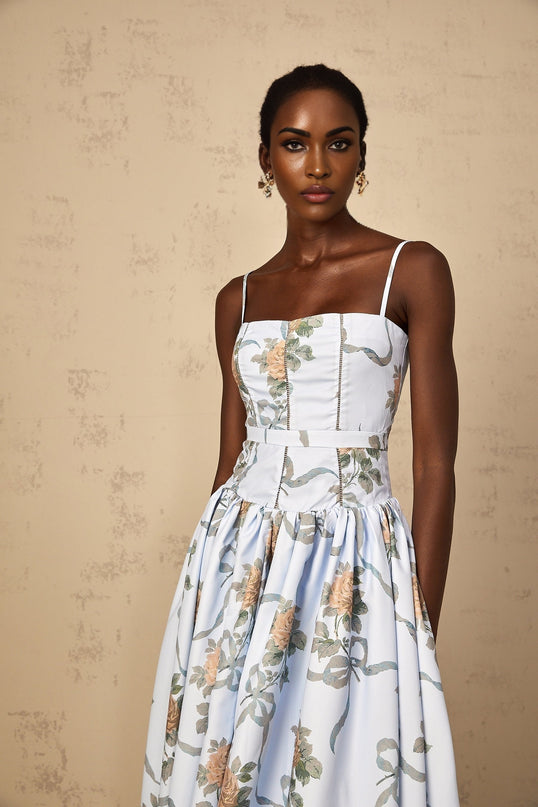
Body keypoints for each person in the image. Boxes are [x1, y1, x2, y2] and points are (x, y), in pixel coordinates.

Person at [141, 64, 460, 807]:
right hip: (237, 563)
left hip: (356, 557)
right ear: (265, 161)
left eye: (339, 143)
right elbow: (230, 462)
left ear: (361, 156)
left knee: (341, 771)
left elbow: (437, 467)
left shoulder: (410, 270)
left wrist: (420, 626)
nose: (317, 166)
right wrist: (205, 607)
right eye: (294, 143)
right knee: (231, 765)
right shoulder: (237, 298)